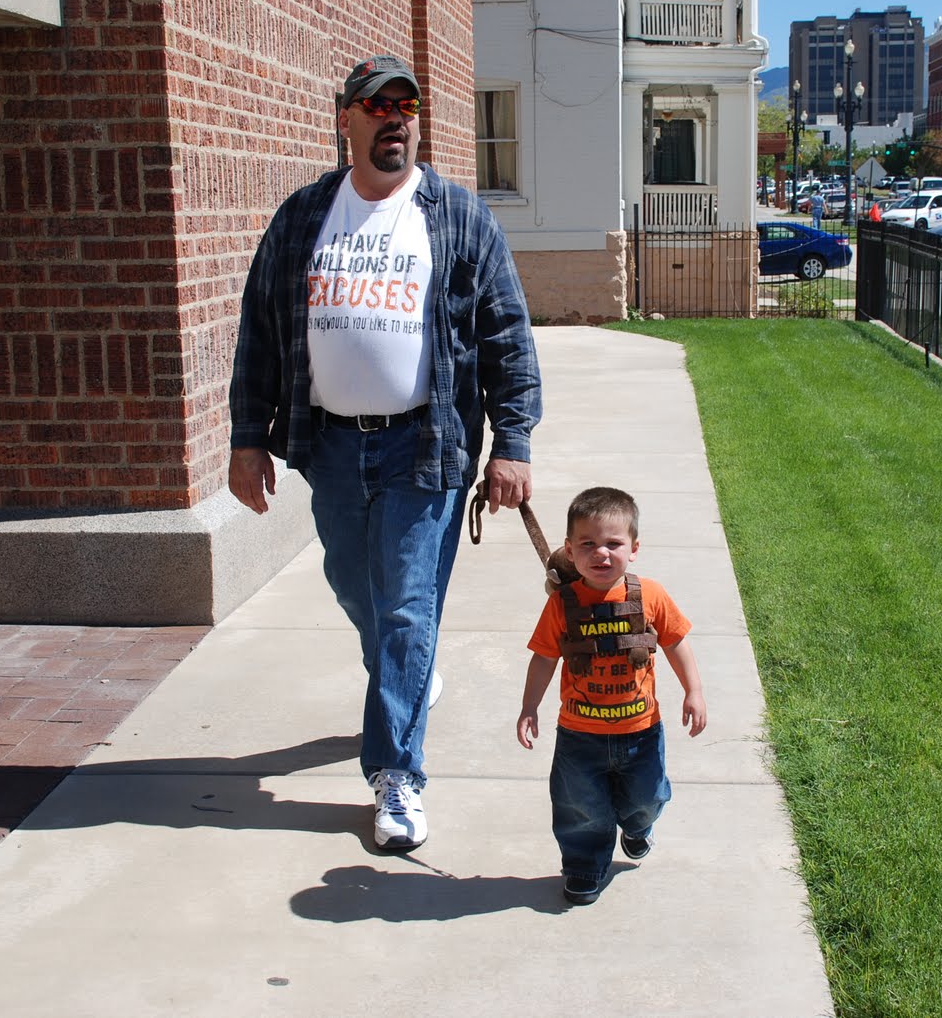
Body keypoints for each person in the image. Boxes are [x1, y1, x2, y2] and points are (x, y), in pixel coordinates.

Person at [228, 53, 542, 852]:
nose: (395, 117)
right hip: (328, 446)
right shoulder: (303, 218)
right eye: (377, 105)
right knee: (358, 593)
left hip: (424, 443)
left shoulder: (458, 216)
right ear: (347, 120)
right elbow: (260, 332)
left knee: (405, 607)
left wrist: (512, 442)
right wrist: (245, 438)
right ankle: (410, 673)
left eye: (406, 104)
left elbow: (507, 334)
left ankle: (396, 775)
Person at [516, 487, 707, 905]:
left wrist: (694, 691)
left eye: (613, 544)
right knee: (579, 807)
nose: (600, 553)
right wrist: (529, 707)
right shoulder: (562, 606)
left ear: (634, 548)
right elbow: (545, 658)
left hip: (640, 731)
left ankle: (638, 827)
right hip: (579, 735)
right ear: (569, 550)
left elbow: (676, 643)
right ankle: (584, 866)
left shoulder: (650, 596)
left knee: (646, 798)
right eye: (587, 544)